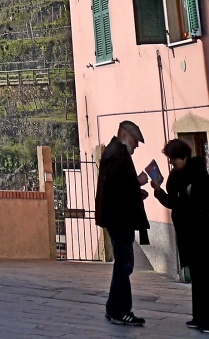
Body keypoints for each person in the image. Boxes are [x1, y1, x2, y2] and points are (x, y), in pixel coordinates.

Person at [95, 119, 150, 326]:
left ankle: (114, 308)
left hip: (118, 218)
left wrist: (136, 190)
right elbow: (117, 187)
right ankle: (120, 311)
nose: (136, 146)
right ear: (125, 136)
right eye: (135, 141)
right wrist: (138, 182)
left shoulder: (115, 153)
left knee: (124, 264)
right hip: (119, 219)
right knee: (124, 265)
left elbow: (120, 188)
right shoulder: (116, 155)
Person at [151, 138, 209, 332]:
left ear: (184, 157)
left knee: (204, 277)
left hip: (200, 233)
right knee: (197, 278)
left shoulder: (199, 176)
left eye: (174, 159)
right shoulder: (177, 176)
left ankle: (207, 320)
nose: (171, 163)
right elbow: (174, 203)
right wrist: (158, 191)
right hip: (186, 233)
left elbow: (199, 205)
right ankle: (199, 317)